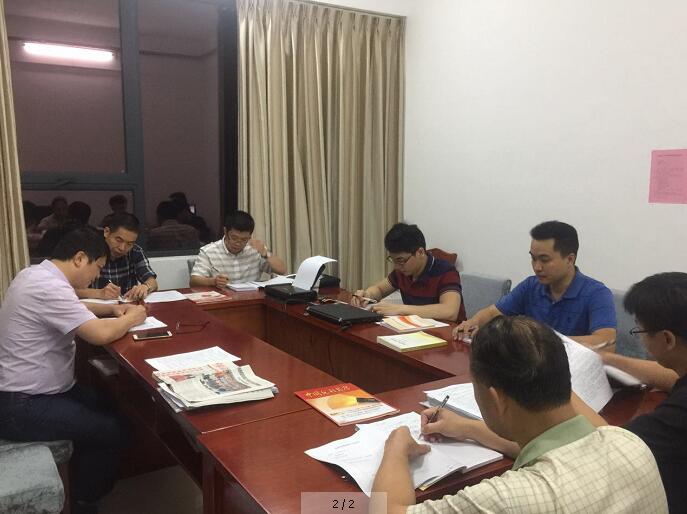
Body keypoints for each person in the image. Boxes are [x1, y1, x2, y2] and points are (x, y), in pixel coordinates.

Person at [371, 316, 668, 514]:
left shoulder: (509, 499)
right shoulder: (630, 444)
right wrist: (468, 428)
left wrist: (396, 447)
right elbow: (555, 447)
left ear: (495, 398)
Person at [0, 227, 148, 514]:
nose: (96, 276)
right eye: (98, 267)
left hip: (37, 392)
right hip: (20, 405)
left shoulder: (34, 274)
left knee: (111, 404)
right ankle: (81, 500)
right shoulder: (49, 287)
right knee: (113, 429)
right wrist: (133, 316)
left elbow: (74, 304)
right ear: (80, 258)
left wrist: (110, 309)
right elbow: (99, 335)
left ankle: (82, 481)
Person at [571, 272, 686, 512]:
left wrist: (561, 387)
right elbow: (672, 375)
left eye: (640, 331)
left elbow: (613, 444)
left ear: (667, 339)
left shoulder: (677, 415)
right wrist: (608, 359)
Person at [453, 220, 616, 347]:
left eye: (545, 260)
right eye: (533, 258)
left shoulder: (596, 293)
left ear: (569, 259)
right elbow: (492, 313)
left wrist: (543, 340)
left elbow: (606, 343)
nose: (537, 267)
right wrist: (473, 322)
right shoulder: (531, 286)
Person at [352, 223, 465, 322]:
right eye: (393, 260)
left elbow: (450, 311)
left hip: (450, 334)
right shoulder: (402, 271)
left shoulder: (446, 272)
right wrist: (367, 296)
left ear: (420, 252)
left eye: (401, 260)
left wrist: (400, 309)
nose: (397, 266)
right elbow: (379, 289)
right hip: (417, 330)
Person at [190, 210, 286, 287]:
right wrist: (213, 281)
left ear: (250, 236)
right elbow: (194, 281)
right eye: (234, 238)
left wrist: (266, 253)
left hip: (251, 298)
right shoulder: (208, 251)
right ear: (225, 231)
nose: (238, 243)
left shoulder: (255, 249)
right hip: (222, 299)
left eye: (244, 239)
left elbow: (282, 270)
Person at [76, 213, 158, 301]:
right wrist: (98, 293)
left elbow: (152, 282)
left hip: (127, 304)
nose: (122, 248)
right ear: (106, 232)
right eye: (119, 240)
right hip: (94, 306)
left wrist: (145, 287)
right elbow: (69, 290)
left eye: (129, 243)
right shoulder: (89, 251)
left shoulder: (135, 251)